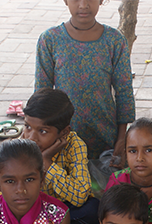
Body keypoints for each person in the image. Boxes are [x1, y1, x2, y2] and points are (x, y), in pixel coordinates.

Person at [0, 89, 100, 224]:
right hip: (22, 207)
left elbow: (80, 196)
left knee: (93, 209)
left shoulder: (75, 146)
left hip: (55, 211)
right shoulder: (21, 145)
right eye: (27, 127)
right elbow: (2, 192)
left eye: (43, 131)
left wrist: (47, 162)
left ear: (64, 132)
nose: (31, 137)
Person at [35, 0, 136, 160]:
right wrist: (43, 136)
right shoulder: (50, 40)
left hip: (105, 137)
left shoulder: (115, 40)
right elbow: (41, 94)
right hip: (62, 139)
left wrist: (122, 137)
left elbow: (124, 91)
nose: (83, 5)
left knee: (104, 175)